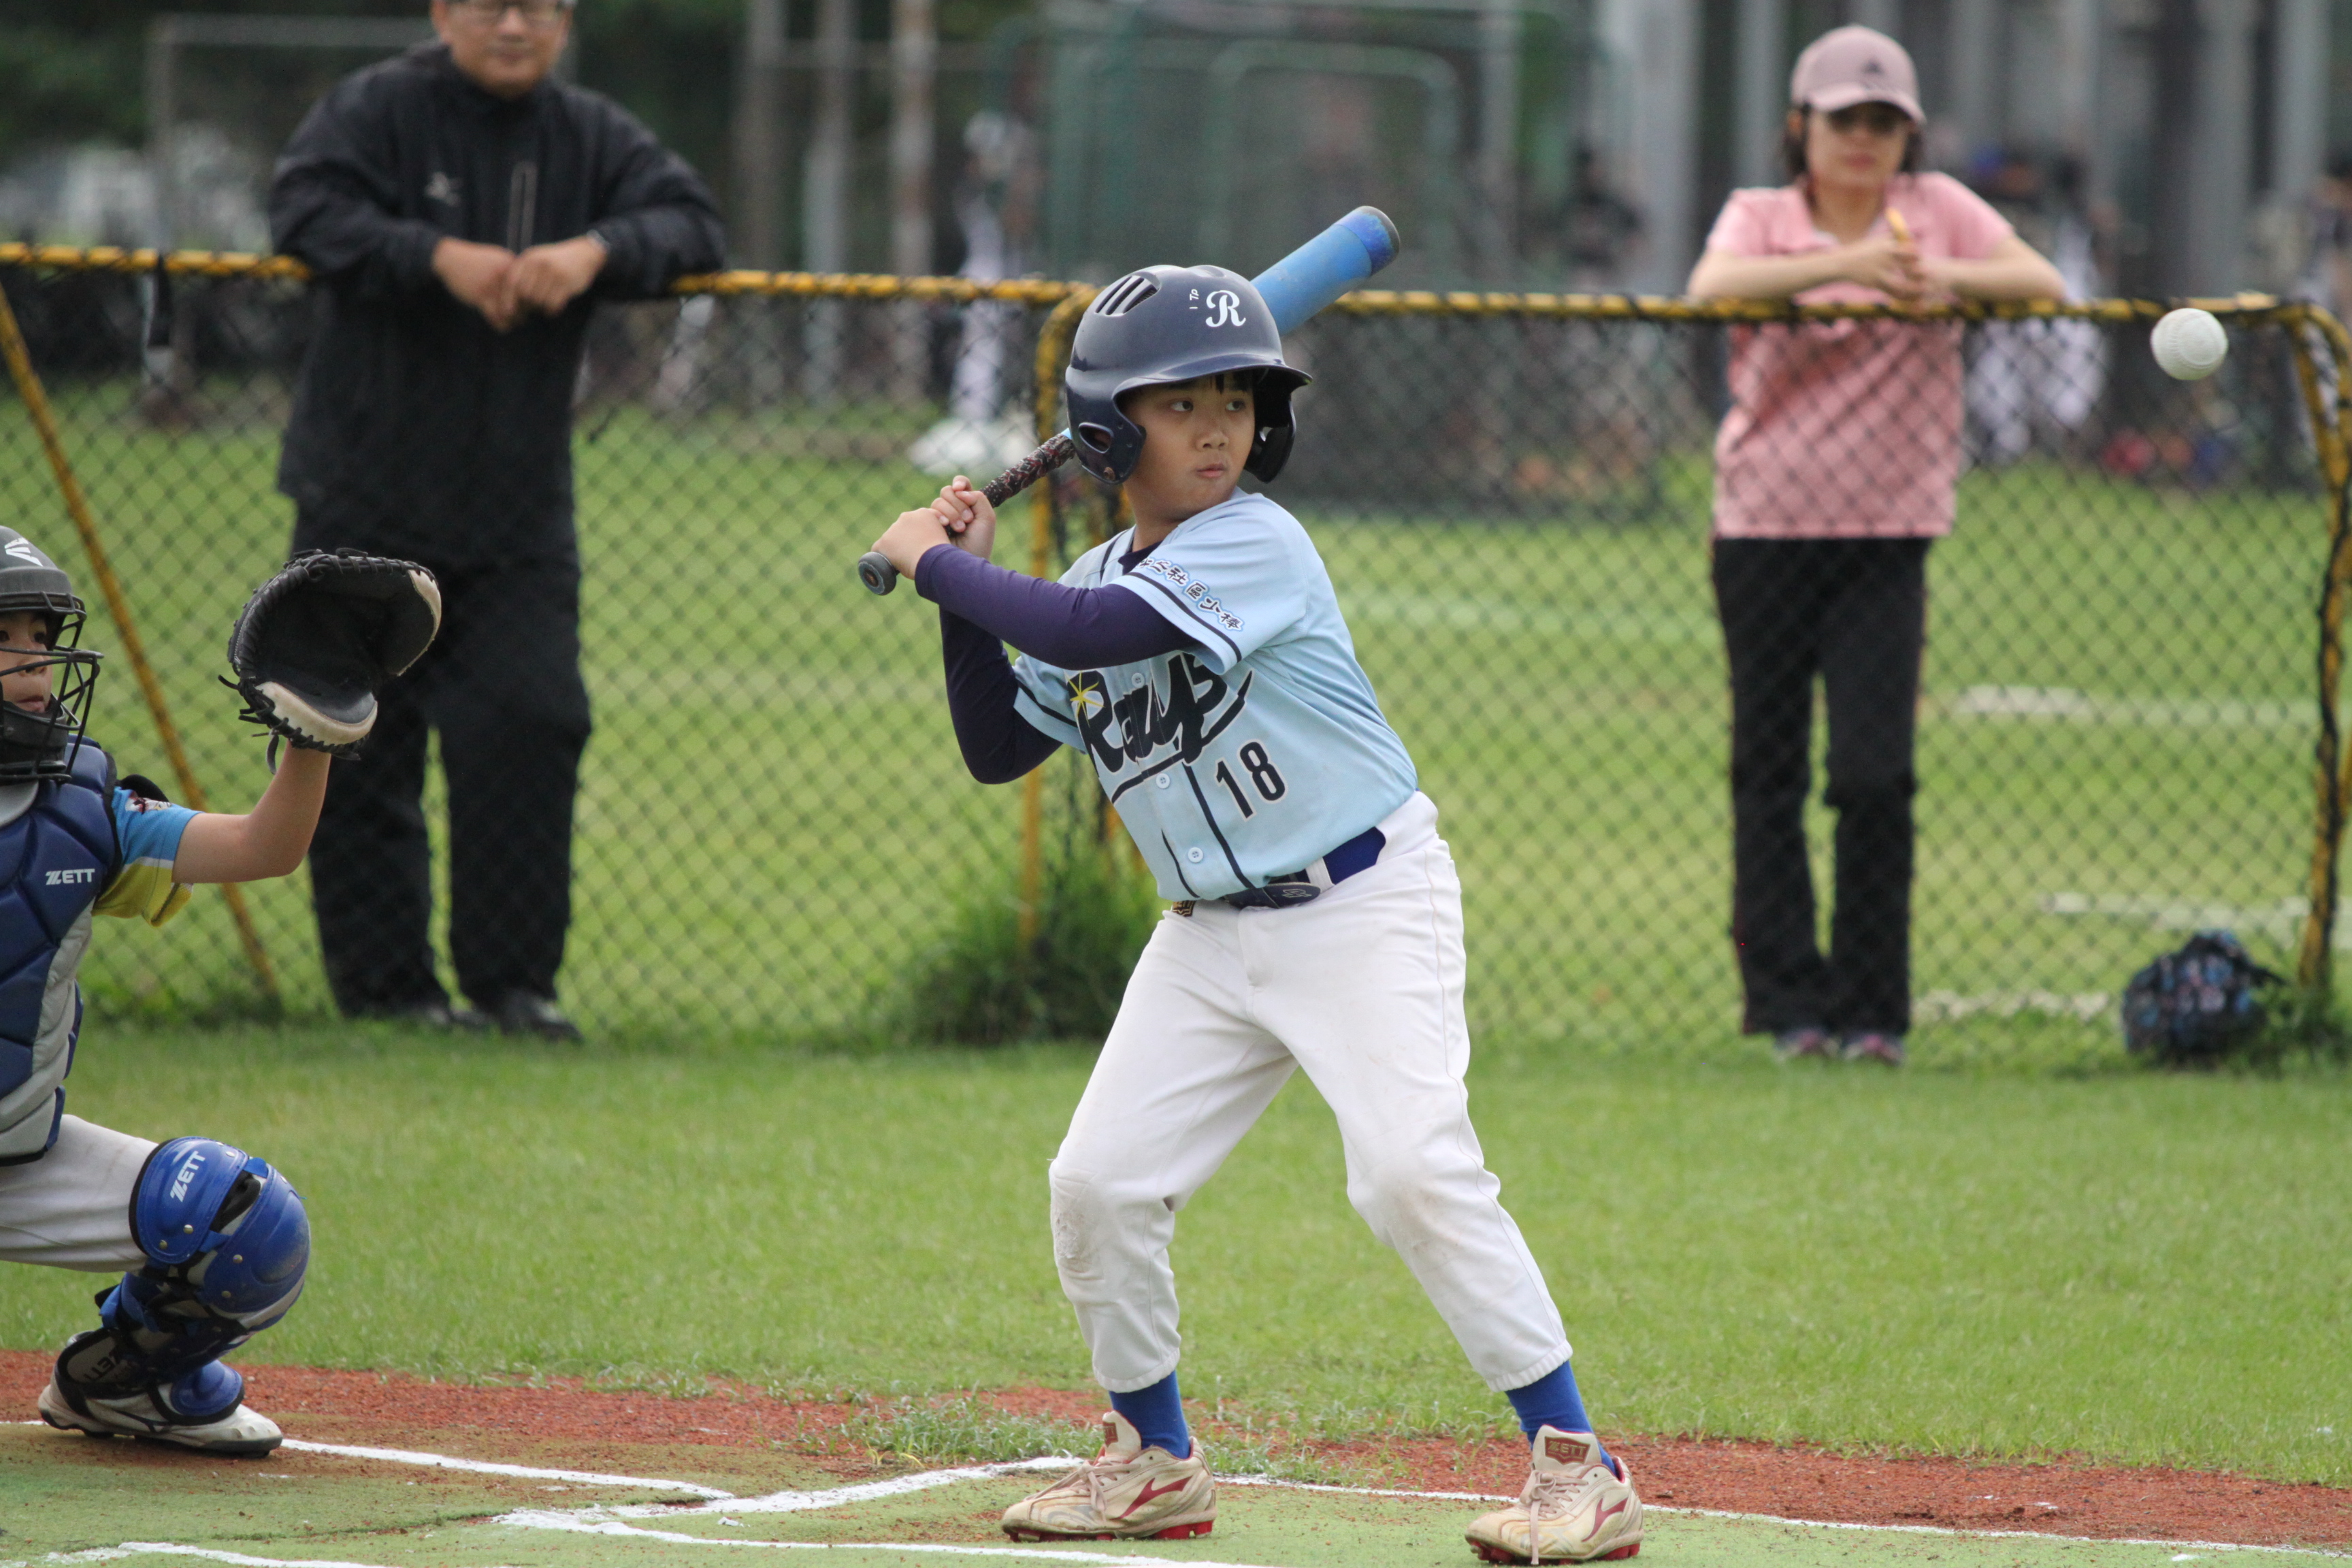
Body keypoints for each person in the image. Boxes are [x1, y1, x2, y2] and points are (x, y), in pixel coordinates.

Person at [865, 267, 1644, 1565]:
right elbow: (1000, 746)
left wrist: (936, 564)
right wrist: (962, 593)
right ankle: (1153, 1461)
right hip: (1208, 935)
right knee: (1099, 1184)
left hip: (1360, 901)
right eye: (1180, 405)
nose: (1218, 428)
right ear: (1109, 431)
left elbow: (1096, 630)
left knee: (1409, 1173)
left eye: (1235, 400)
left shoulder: (1255, 543)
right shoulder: (1099, 571)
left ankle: (1580, 1468)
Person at [268, 0, 725, 1038]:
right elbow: (302, 210)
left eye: (540, 6)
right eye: (491, 5)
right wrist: (437, 257)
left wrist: (596, 251)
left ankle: (514, 988)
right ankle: (390, 992)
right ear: (444, 13)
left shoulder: (590, 134)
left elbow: (693, 222)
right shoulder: (375, 110)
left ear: (565, 22)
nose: (515, 25)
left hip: (517, 512)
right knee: (356, 742)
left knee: (532, 722)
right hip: (363, 496)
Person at [1687, 27, 2063, 1066]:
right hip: (1764, 529)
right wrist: (1851, 264)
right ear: (1801, 126)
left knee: (1873, 775)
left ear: (1910, 136)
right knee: (1767, 772)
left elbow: (2042, 283)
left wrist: (1946, 280)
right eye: (1844, 119)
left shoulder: (1937, 212)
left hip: (1887, 535)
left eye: (1885, 122)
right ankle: (1788, 1007)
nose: (1863, 138)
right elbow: (1711, 288)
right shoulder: (1764, 216)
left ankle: (1872, 1012)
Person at [0, 530, 350, 1456]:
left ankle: (122, 1386)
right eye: (3, 639)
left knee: (243, 1223)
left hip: (14, 1162)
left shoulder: (80, 811)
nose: (34, 664)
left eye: (40, 638)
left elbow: (264, 847)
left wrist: (312, 733)